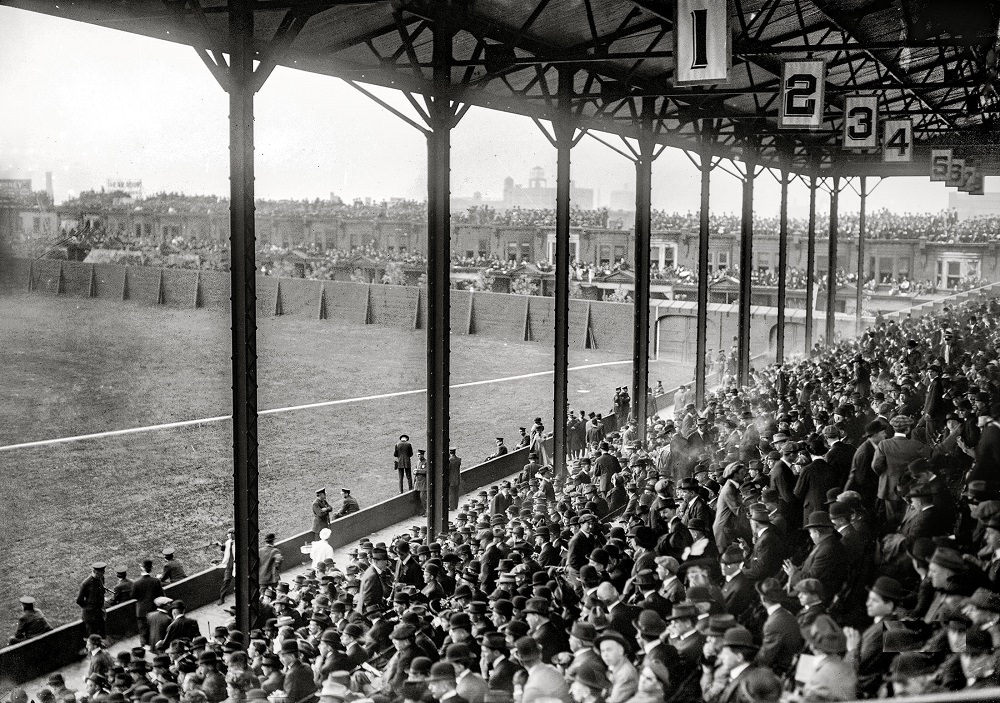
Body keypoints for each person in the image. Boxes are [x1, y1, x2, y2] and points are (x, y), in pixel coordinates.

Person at [131, 558, 164, 646]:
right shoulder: (156, 581)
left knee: (143, 632)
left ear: (142, 567)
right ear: (151, 568)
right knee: (154, 631)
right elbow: (161, 595)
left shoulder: (136, 583)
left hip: (141, 612)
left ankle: (144, 649)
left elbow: (133, 596)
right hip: (153, 610)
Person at [76, 561, 107, 638]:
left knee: (102, 635)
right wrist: (89, 607)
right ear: (95, 572)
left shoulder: (101, 578)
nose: (102, 574)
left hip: (99, 614)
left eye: (103, 572)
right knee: (92, 637)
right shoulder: (86, 584)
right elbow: (79, 600)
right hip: (90, 616)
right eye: (101, 573)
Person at [217, 528, 235, 605]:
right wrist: (220, 545)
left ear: (232, 534)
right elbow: (224, 548)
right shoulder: (228, 542)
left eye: (229, 533)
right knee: (226, 581)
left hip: (236, 565)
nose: (227, 535)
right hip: (229, 565)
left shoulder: (240, 543)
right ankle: (222, 598)